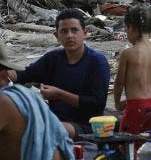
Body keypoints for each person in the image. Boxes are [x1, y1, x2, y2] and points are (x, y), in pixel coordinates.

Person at [15, 8, 110, 139]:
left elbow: (97, 104)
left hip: (87, 126)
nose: (70, 35)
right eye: (64, 31)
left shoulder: (97, 62)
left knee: (50, 129)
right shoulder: (53, 59)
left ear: (85, 33)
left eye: (74, 30)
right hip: (55, 119)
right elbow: (24, 75)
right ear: (57, 36)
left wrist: (60, 94)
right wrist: (2, 72)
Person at [113, 6, 151, 135]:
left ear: (131, 27)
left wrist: (117, 102)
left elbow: (119, 82)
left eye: (126, 29)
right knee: (144, 141)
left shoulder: (128, 53)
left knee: (127, 143)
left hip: (137, 105)